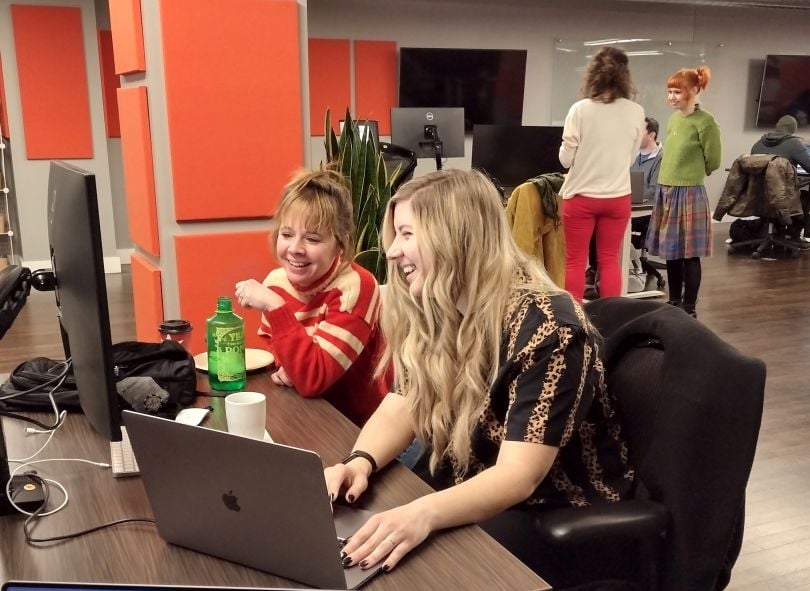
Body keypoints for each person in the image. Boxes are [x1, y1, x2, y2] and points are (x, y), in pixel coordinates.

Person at [324, 169, 634, 583]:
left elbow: (518, 476)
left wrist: (421, 514)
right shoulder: (443, 307)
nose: (393, 251)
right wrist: (359, 461)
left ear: (456, 237)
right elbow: (405, 402)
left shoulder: (549, 328)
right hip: (475, 487)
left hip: (553, 511)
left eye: (407, 234)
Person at [234, 168, 387, 426]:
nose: (295, 249)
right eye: (286, 234)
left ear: (341, 243)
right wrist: (293, 367)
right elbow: (282, 360)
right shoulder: (277, 282)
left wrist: (274, 305)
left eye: (312, 239)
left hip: (359, 430)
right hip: (304, 416)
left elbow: (312, 379)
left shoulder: (356, 288)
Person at [558, 46, 645, 302]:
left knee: (575, 261)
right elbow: (630, 158)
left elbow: (565, 160)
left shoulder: (580, 109)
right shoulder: (636, 112)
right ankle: (611, 320)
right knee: (609, 260)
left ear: (592, 74)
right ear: (625, 76)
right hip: (618, 198)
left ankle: (573, 323)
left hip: (581, 197)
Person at [646, 65, 721, 319]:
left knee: (690, 253)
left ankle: (689, 307)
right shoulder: (674, 119)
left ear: (695, 90)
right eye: (670, 91)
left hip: (689, 192)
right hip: (666, 190)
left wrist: (691, 175)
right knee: (671, 251)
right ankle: (674, 300)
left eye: (678, 91)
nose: (672, 97)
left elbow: (714, 160)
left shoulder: (706, 122)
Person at [750, 114, 810, 241]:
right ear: (793, 129)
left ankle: (778, 232)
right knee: (805, 196)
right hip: (782, 199)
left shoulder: (757, 144)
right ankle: (794, 237)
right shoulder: (794, 144)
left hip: (759, 198)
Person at [630, 117, 666, 291]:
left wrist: (636, 197)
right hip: (630, 207)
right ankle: (598, 270)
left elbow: (655, 190)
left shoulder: (661, 157)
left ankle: (629, 269)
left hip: (649, 212)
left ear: (651, 135)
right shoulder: (633, 154)